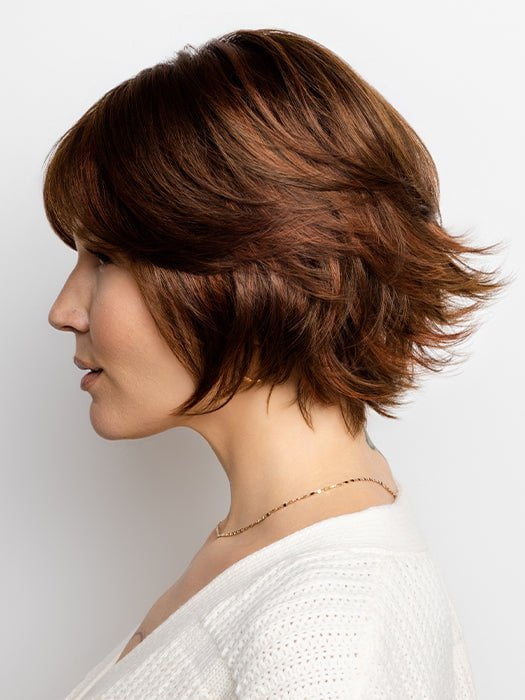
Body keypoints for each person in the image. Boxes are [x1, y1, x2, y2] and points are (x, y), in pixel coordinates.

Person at [45, 27, 508, 699]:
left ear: (256, 268)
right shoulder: (284, 545)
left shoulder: (324, 638)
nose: (63, 310)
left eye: (106, 258)